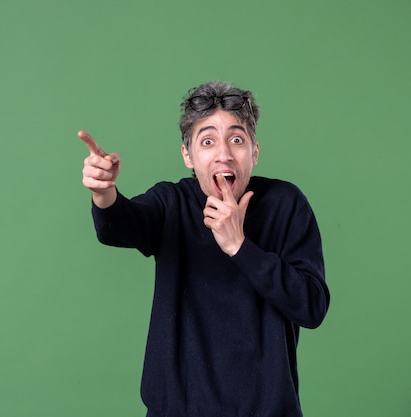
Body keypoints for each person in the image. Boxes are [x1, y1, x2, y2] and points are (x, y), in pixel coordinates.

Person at [78, 81, 330, 417]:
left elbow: (311, 307)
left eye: (237, 140)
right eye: (207, 141)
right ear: (188, 155)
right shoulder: (171, 203)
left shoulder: (287, 205)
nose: (224, 153)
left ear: (254, 152)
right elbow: (120, 224)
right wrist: (103, 191)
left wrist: (240, 247)